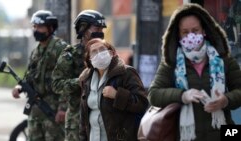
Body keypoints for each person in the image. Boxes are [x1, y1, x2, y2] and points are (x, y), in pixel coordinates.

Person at [148, 3, 241, 141]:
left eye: (195, 30)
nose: (191, 36)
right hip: (186, 136)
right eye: (185, 32)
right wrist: (182, 95)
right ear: (178, 35)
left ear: (204, 30)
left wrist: (226, 100)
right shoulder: (171, 61)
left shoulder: (223, 57)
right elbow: (153, 94)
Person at [12, 10, 68, 141]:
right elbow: (30, 76)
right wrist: (19, 88)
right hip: (35, 110)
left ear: (50, 28)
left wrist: (63, 108)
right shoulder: (35, 51)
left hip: (53, 110)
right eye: (35, 27)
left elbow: (67, 79)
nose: (36, 30)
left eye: (40, 27)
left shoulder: (60, 49)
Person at [51, 10, 107, 141]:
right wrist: (78, 82)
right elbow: (56, 85)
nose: (100, 32)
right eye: (96, 28)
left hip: (101, 120)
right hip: (77, 121)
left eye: (101, 29)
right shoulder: (70, 55)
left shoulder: (106, 54)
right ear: (83, 29)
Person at [79, 38, 148, 141]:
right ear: (90, 59)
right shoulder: (86, 80)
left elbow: (142, 103)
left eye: (102, 49)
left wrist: (117, 95)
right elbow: (83, 118)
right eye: (94, 52)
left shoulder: (126, 73)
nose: (99, 54)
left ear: (111, 53)